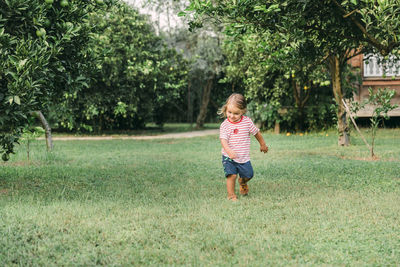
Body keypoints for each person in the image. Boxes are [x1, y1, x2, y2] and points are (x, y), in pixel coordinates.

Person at [218, 93, 268, 201]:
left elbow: (256, 133)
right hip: (228, 156)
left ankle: (243, 182)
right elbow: (223, 141)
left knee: (249, 174)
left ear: (243, 111)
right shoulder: (225, 125)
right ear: (226, 109)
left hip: (243, 158)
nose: (232, 116)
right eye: (229, 112)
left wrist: (262, 144)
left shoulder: (247, 122)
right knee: (231, 175)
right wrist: (229, 151)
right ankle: (231, 195)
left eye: (236, 113)